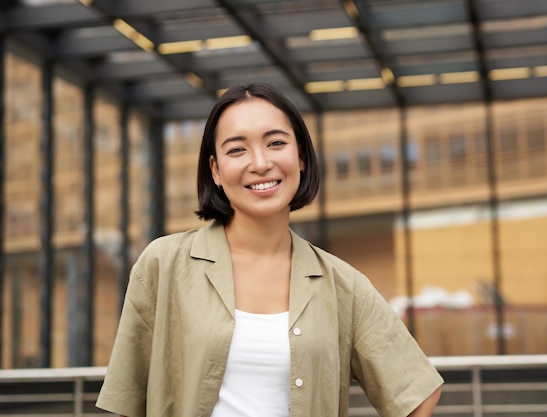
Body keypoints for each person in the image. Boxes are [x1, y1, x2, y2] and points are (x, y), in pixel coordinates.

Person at [96, 82, 443, 417]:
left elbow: (417, 393)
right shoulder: (164, 264)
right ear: (215, 169)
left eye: (276, 143)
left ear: (301, 157)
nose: (260, 163)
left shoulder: (343, 285)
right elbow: (128, 400)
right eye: (236, 149)